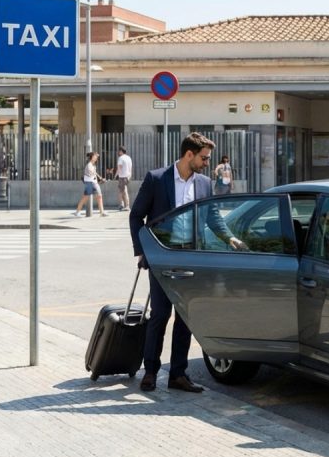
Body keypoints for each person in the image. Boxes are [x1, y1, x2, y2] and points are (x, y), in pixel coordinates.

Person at [130, 132, 245, 393]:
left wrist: (230, 238)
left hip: (190, 257)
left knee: (186, 317)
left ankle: (178, 375)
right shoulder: (157, 179)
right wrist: (143, 251)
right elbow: (136, 216)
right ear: (189, 154)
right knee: (160, 314)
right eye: (204, 158)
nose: (207, 163)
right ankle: (150, 371)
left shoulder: (203, 183)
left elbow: (212, 216)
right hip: (162, 256)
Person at [71, 152, 107, 217]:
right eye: (95, 156)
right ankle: (101, 212)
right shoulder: (89, 165)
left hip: (91, 183)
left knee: (95, 197)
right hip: (91, 183)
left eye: (96, 157)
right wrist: (100, 179)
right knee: (92, 197)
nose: (96, 158)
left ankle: (101, 212)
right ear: (92, 157)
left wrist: (100, 178)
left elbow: (95, 173)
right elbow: (92, 173)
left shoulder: (93, 165)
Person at [114, 146, 133, 210]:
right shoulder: (129, 158)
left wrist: (115, 175)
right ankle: (122, 205)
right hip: (128, 176)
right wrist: (130, 176)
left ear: (121, 151)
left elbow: (119, 168)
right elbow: (130, 168)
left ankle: (126, 206)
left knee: (123, 191)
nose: (118, 152)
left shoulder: (121, 158)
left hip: (122, 177)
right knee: (122, 191)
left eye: (119, 151)